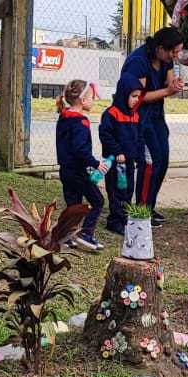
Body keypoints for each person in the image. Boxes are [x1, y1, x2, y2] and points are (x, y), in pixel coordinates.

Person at [119, 26, 186, 225]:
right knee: (150, 163)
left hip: (156, 116)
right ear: (160, 48)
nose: (176, 56)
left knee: (162, 161)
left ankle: (149, 205)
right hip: (139, 118)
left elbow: (169, 81)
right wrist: (167, 91)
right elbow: (137, 97)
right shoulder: (138, 62)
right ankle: (141, 209)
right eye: (174, 52)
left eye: (178, 51)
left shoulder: (166, 59)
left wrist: (174, 85)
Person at [54, 79, 106, 251]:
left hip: (65, 170)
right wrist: (95, 163)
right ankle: (86, 234)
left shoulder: (64, 116)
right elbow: (79, 149)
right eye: (92, 97)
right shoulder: (81, 122)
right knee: (97, 201)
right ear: (83, 100)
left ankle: (65, 236)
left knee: (73, 205)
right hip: (77, 171)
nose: (93, 101)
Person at [98, 75, 144, 236]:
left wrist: (139, 156)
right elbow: (105, 135)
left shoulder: (135, 115)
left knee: (128, 190)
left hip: (129, 162)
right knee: (116, 191)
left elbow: (139, 137)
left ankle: (124, 219)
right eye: (133, 96)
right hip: (115, 163)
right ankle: (115, 221)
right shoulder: (111, 113)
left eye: (138, 96)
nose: (136, 100)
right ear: (124, 94)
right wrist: (117, 151)